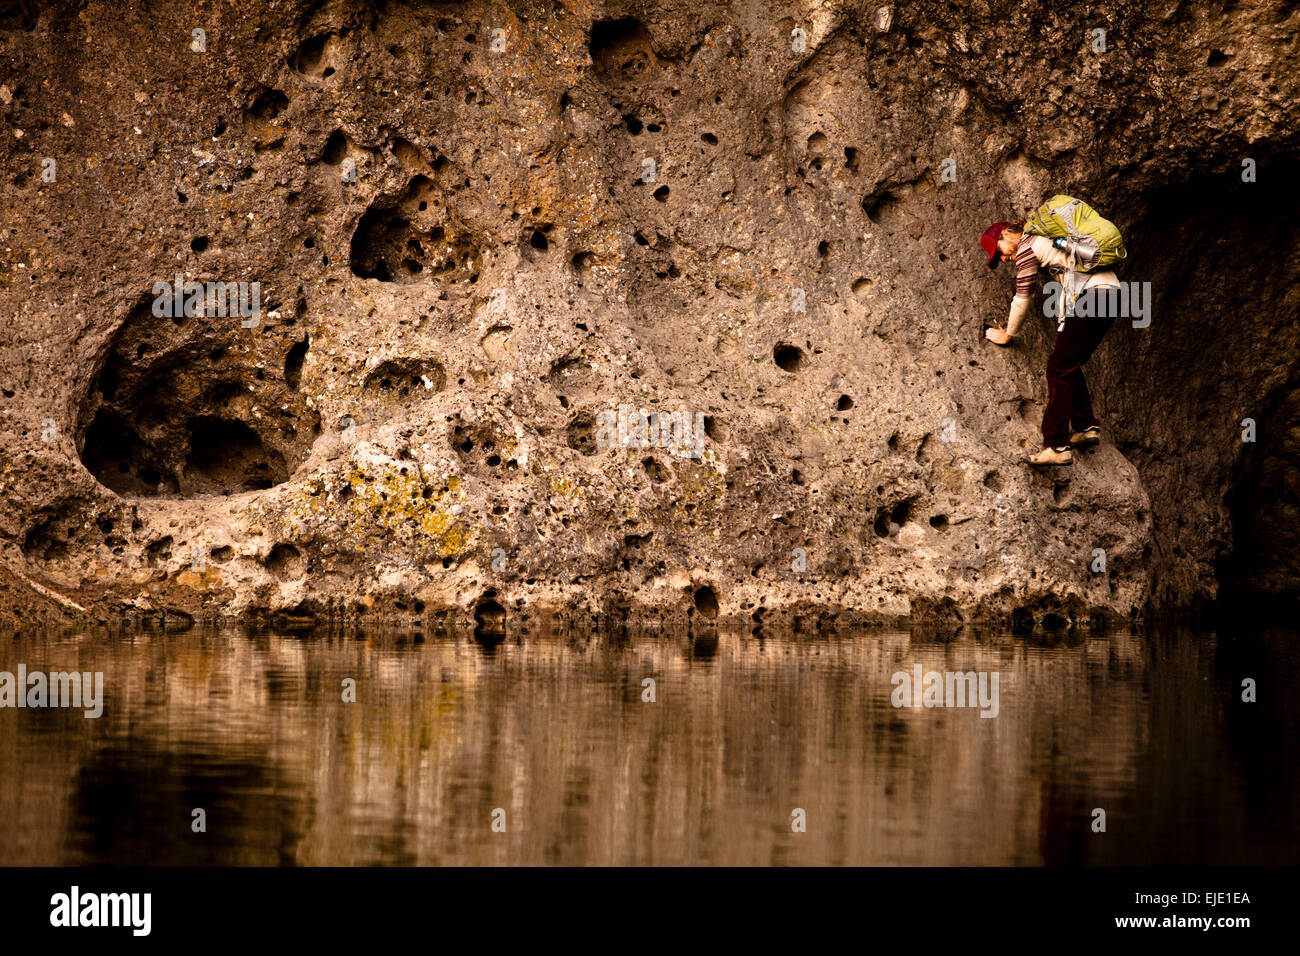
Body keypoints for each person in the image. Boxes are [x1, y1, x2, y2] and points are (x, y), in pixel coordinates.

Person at [980, 220, 1122, 467]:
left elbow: (1023, 296)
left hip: (1093, 296)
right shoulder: (1046, 242)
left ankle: (1056, 445)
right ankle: (1085, 427)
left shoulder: (1027, 246)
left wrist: (1008, 334)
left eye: (998, 251)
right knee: (1069, 364)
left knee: (1057, 368)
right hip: (1113, 296)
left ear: (1007, 235)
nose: (1002, 260)